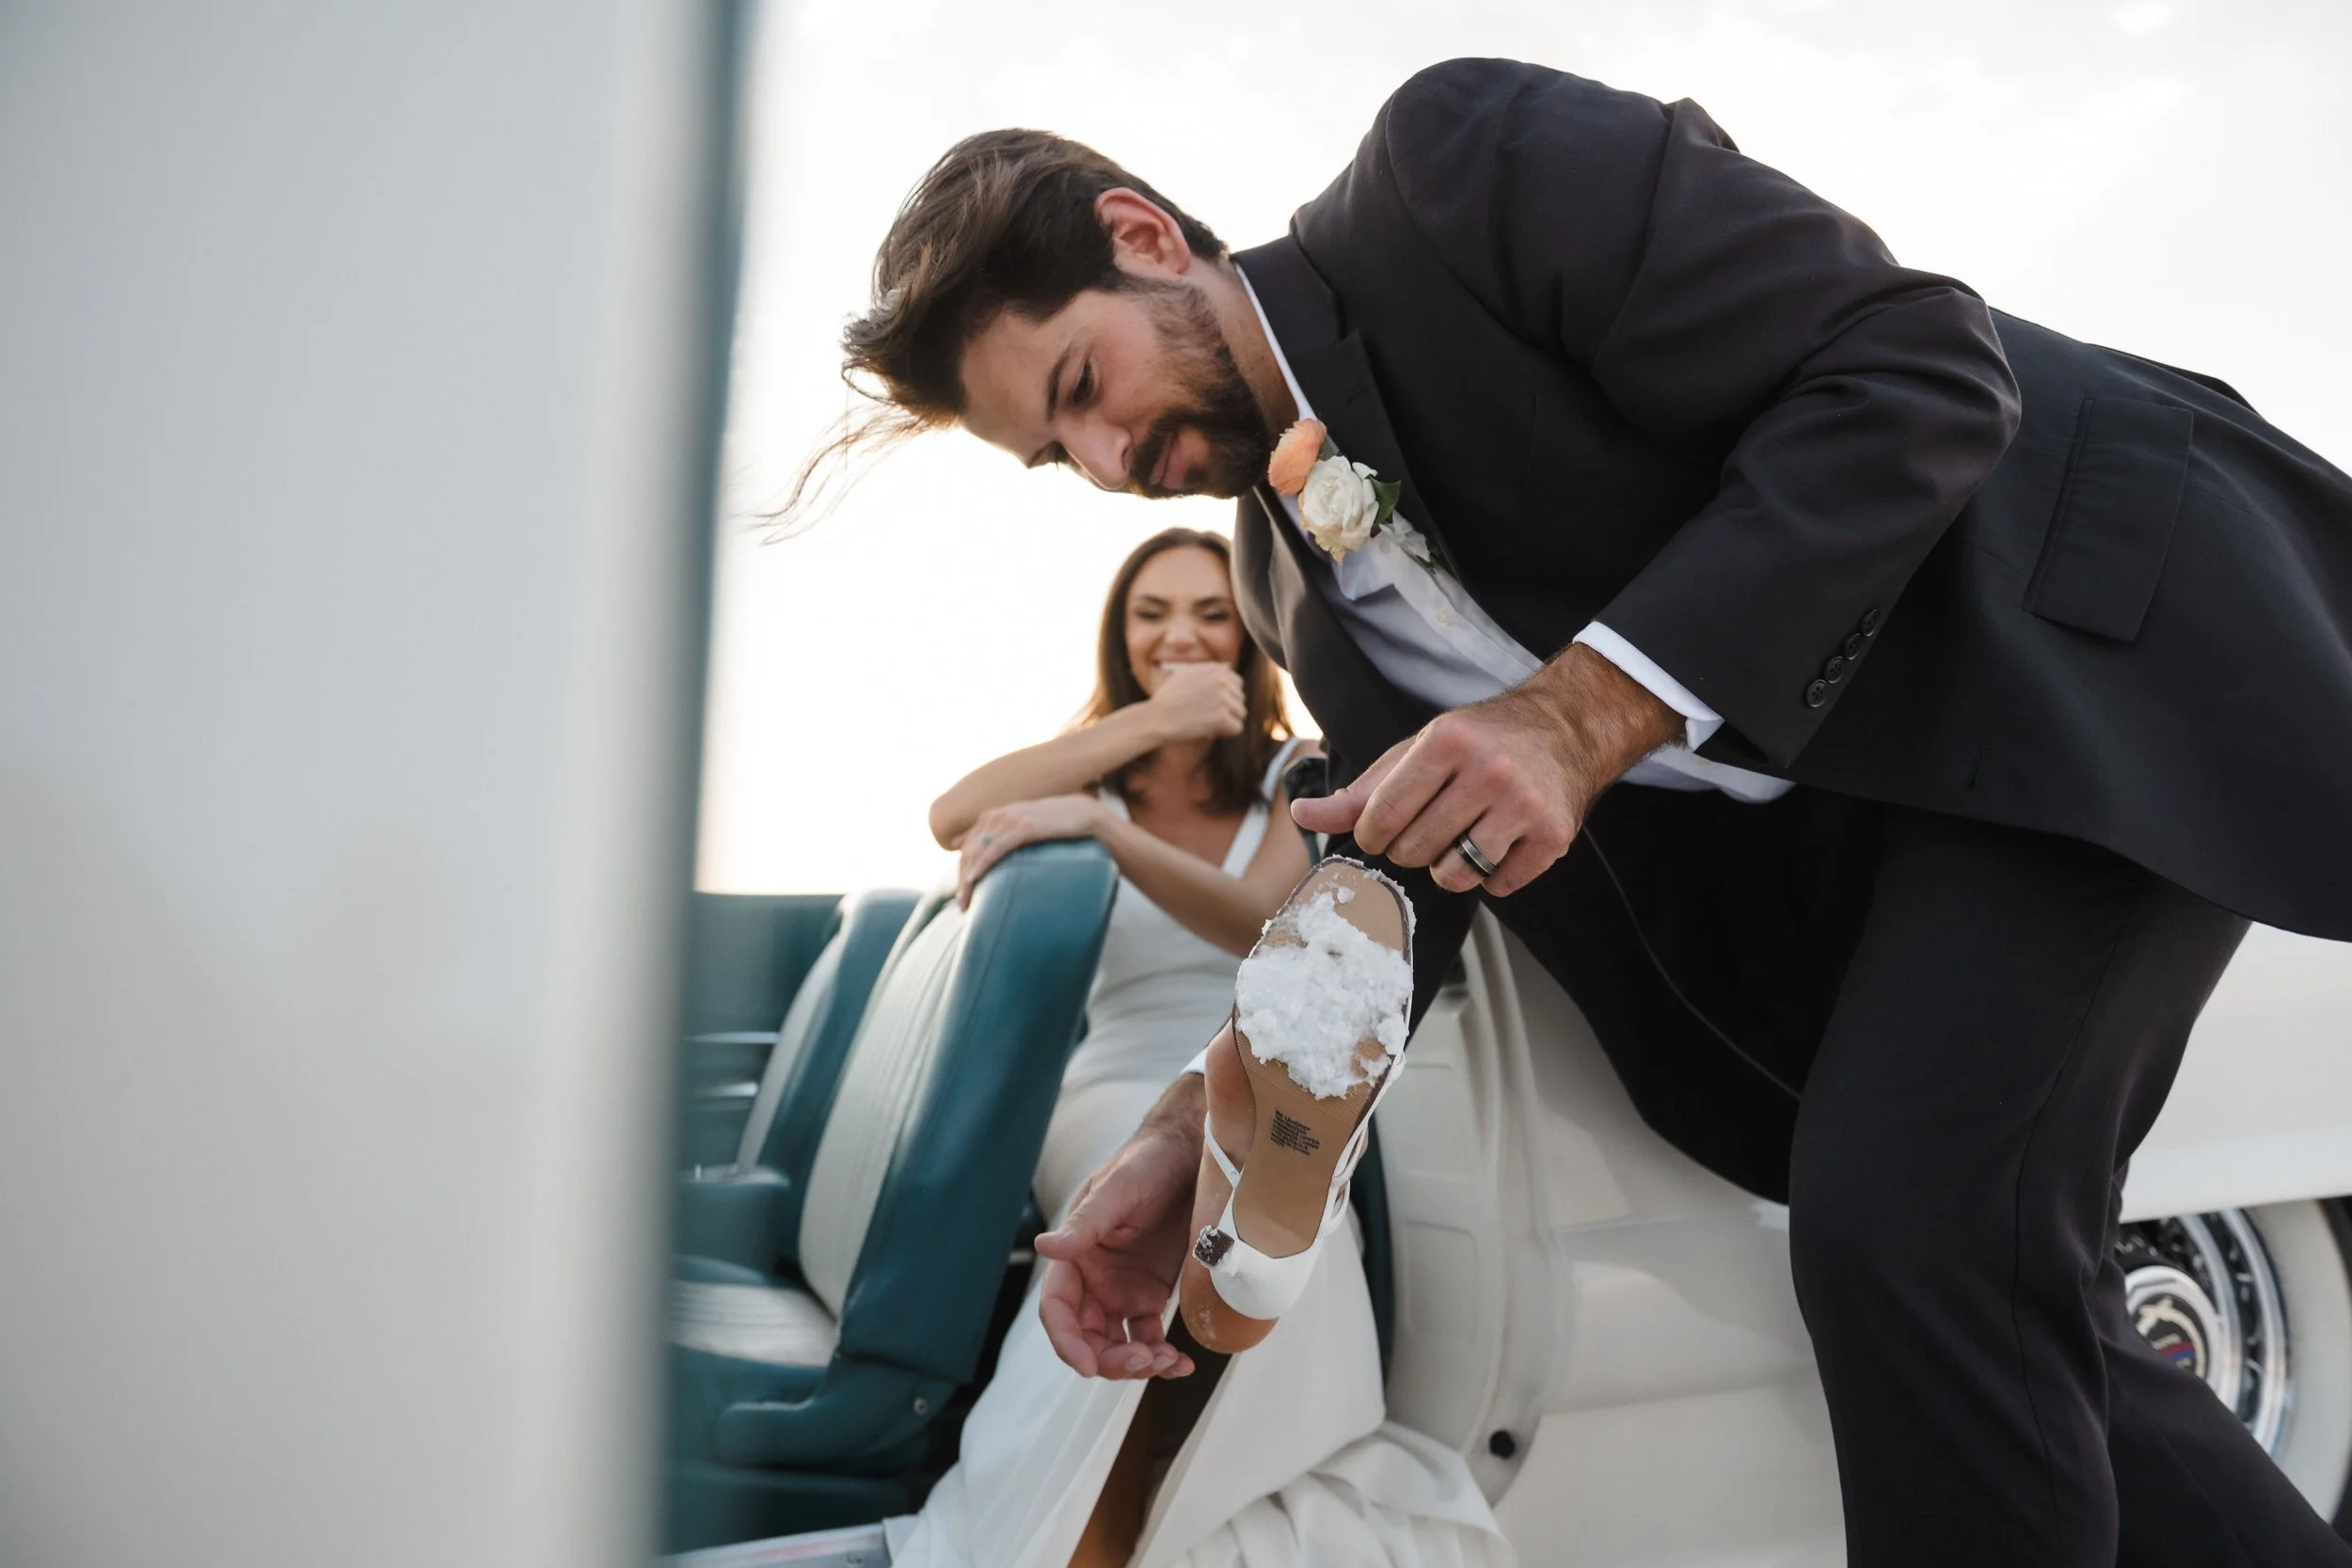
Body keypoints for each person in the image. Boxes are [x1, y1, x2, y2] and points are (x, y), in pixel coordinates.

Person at [819, 58, 2352, 1568]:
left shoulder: (1456, 167)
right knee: (1986, 1289)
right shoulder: (1290, 585)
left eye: (1083, 388)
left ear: (1144, 235)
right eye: (1053, 454)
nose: (1103, 462)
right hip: (1899, 840)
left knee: (1911, 1233)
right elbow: (1405, 864)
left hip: (2070, 651)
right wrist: (1191, 1129)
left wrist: (1574, 717)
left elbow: (1920, 367)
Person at [897, 528, 1510, 1568]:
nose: (1180, 632)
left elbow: (1263, 927)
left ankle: (1201, 1457)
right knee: (1148, 1182)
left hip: (1261, 1060)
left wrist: (1110, 841)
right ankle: (1085, 1529)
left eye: (1209, 611)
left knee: (1276, 1197)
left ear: (1246, 634)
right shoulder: (1081, 777)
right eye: (1152, 612)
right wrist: (1145, 731)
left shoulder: (1291, 772)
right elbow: (952, 813)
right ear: (1120, 637)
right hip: (1112, 1075)